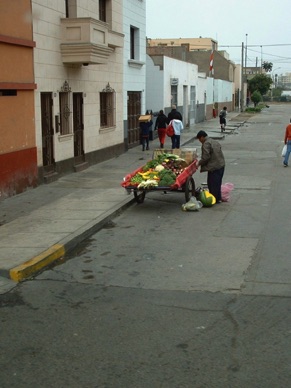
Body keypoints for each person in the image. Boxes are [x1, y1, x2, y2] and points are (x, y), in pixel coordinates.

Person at [196, 130, 225, 203]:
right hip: (221, 165)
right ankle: (218, 198)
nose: (200, 141)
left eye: (199, 139)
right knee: (217, 183)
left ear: (202, 137)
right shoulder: (214, 141)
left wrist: (199, 163)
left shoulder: (206, 144)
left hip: (214, 167)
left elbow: (206, 157)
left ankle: (213, 200)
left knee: (212, 184)